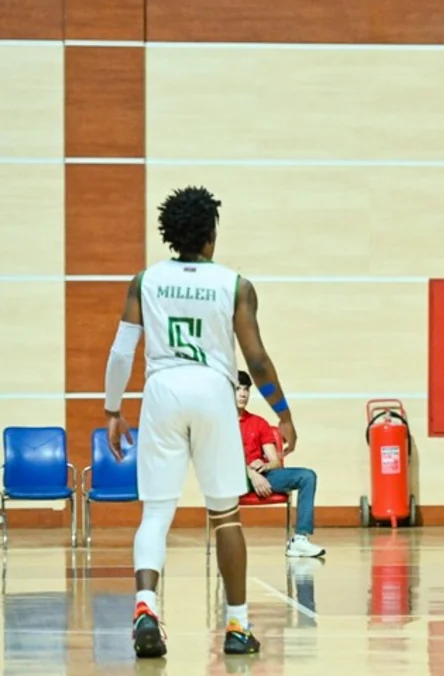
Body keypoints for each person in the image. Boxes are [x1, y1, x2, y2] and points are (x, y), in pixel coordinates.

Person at [103, 185, 296, 657]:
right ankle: (236, 626)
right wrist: (283, 414)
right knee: (225, 515)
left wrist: (112, 410)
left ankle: (146, 607)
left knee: (155, 513)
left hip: (162, 391)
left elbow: (121, 351)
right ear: (211, 234)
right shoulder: (235, 284)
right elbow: (258, 358)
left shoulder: (144, 281)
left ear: (170, 234)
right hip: (213, 391)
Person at [236, 371, 325, 558]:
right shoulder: (219, 423)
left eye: (246, 389)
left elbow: (275, 461)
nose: (243, 394)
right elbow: (220, 460)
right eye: (238, 389)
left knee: (307, 476)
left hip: (263, 475)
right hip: (233, 477)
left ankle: (300, 539)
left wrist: (265, 466)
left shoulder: (258, 423)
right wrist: (252, 474)